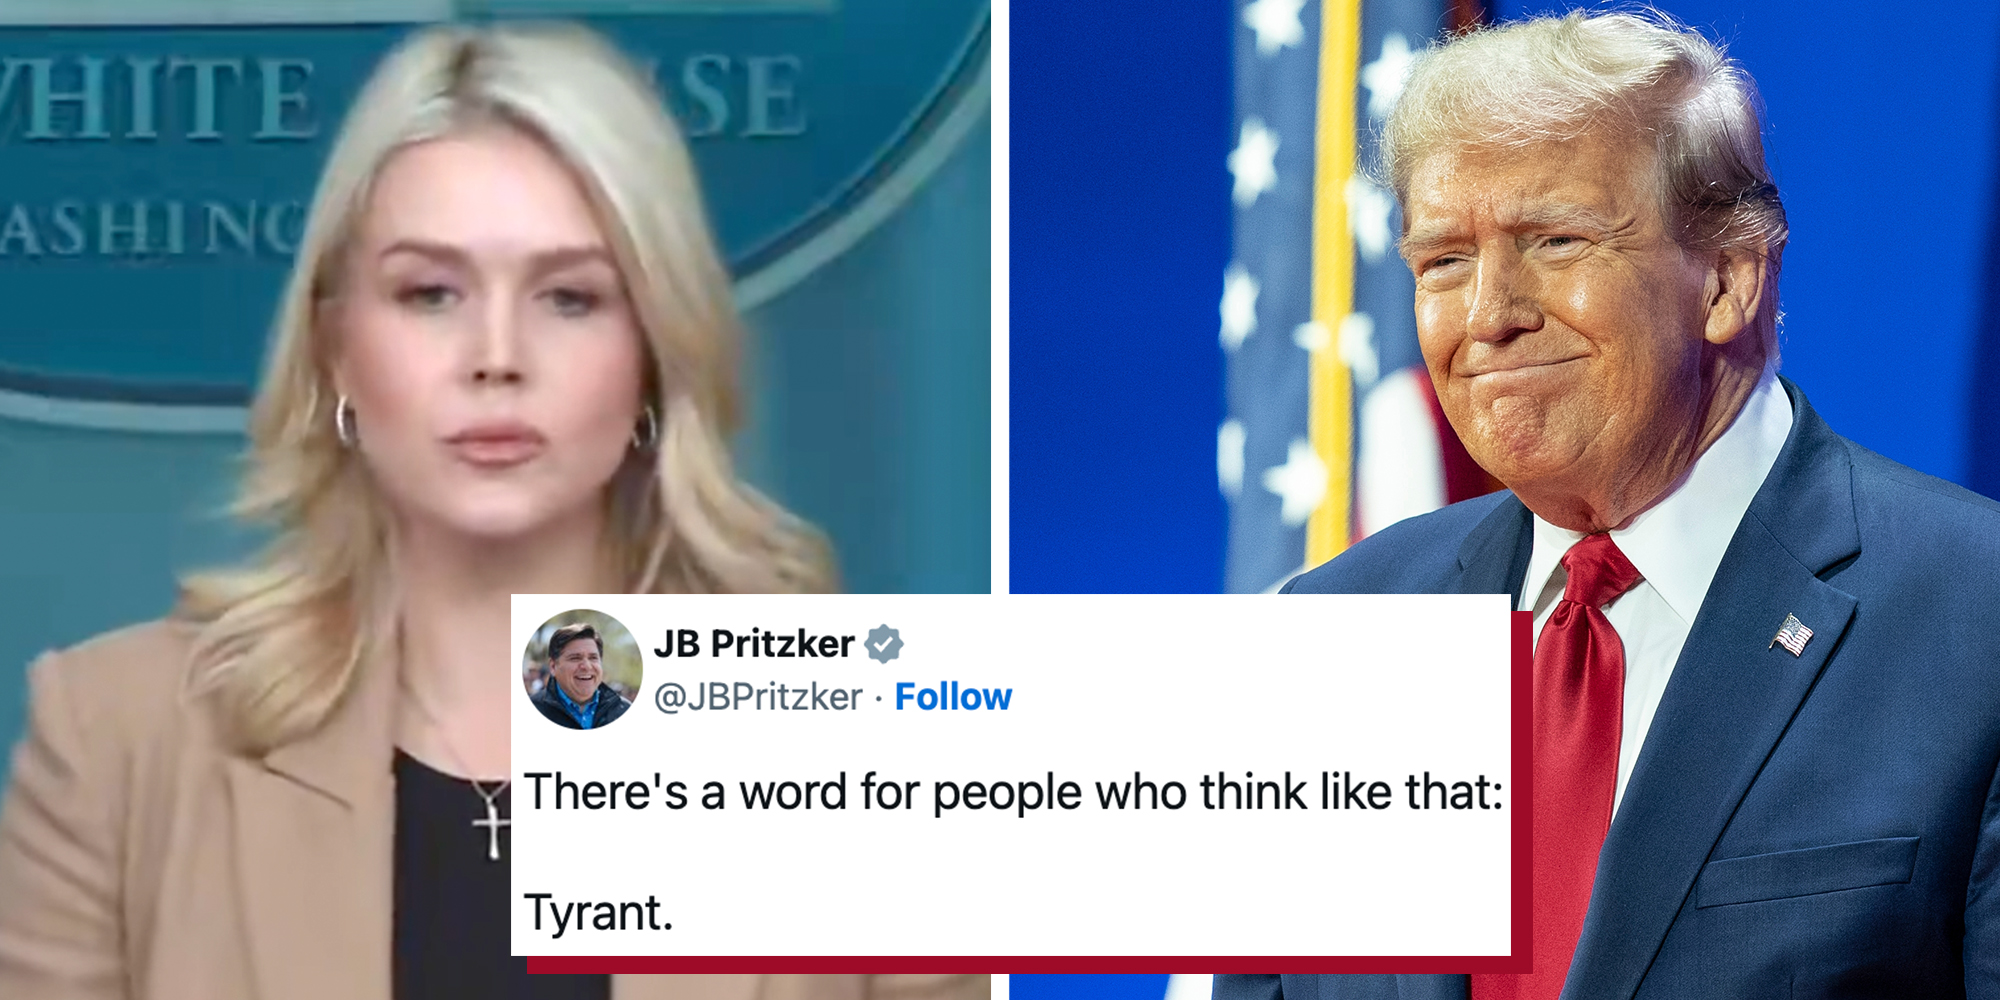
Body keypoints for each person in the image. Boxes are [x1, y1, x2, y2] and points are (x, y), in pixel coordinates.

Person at [0, 21, 981, 1000]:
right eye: (430, 293)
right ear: (336, 346)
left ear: (653, 353)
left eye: (569, 298)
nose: (496, 355)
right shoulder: (115, 736)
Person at [1216, 10, 2000, 1000]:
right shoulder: (1329, 634)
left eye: (1552, 239)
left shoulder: (1975, 619)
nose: (1487, 313)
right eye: (1443, 260)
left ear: (1724, 278)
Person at [530, 623, 631, 729]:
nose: (587, 666)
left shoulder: (624, 710)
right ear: (553, 666)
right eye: (575, 658)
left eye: (593, 658)